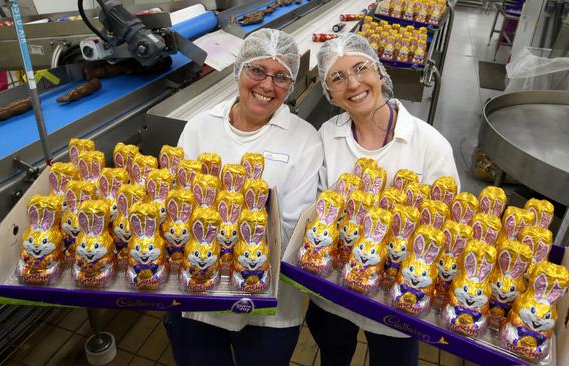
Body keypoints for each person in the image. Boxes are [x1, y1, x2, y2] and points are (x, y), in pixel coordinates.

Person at [165, 28, 323, 366]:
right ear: (239, 69)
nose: (267, 86)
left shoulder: (304, 140)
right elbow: (176, 203)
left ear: (291, 84)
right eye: (257, 70)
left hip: (268, 305)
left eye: (281, 77)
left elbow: (292, 230)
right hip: (197, 293)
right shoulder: (200, 126)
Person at [307, 33, 460, 366]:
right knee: (334, 355)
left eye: (361, 68)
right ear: (329, 94)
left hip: (398, 302)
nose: (353, 83)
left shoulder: (430, 145)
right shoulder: (326, 138)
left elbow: (448, 231)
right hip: (333, 294)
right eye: (338, 77)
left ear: (379, 72)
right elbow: (314, 211)